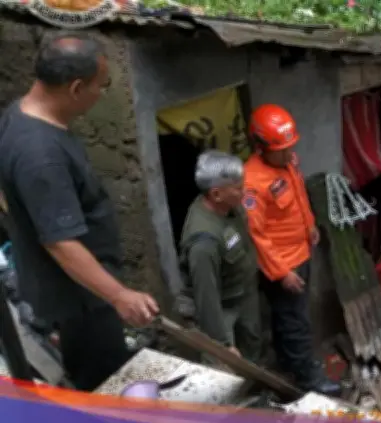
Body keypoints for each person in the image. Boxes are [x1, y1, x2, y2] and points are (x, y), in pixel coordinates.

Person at [0, 34, 159, 391]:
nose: (102, 94)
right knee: (104, 385)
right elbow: (61, 243)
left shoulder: (18, 114)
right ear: (75, 88)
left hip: (76, 291)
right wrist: (119, 296)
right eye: (100, 87)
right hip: (81, 301)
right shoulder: (41, 156)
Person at [243, 104, 339, 394]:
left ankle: (289, 363)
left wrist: (310, 227)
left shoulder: (288, 163)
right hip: (283, 265)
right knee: (295, 321)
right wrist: (282, 273)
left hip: (301, 253)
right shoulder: (252, 183)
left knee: (291, 317)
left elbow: (297, 197)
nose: (288, 154)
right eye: (281, 150)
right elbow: (255, 235)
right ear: (261, 147)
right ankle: (308, 379)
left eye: (290, 147)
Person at [178, 150, 261, 362]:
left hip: (243, 293)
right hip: (222, 308)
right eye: (238, 188)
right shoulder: (204, 242)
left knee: (253, 347)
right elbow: (207, 297)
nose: (244, 192)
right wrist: (221, 344)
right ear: (216, 194)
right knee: (223, 367)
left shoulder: (230, 207)